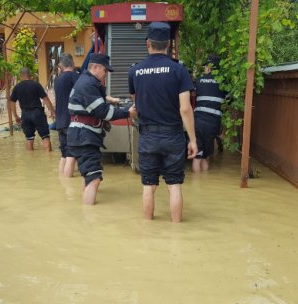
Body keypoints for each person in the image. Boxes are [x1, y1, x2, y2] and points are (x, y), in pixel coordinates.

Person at [128, 22, 198, 223]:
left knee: (149, 185)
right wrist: (192, 140)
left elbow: (136, 103)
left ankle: (147, 230)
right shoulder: (179, 70)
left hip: (148, 136)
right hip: (173, 136)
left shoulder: (135, 72)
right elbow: (185, 108)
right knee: (174, 185)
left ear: (148, 43)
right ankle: (177, 231)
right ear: (168, 44)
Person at [67, 53, 137, 205]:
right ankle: (89, 218)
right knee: (94, 178)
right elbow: (103, 112)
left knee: (89, 176)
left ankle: (83, 211)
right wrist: (127, 112)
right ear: (95, 67)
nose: (106, 75)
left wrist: (109, 99)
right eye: (105, 71)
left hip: (80, 136)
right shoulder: (88, 84)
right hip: (84, 136)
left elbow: (95, 104)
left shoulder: (86, 81)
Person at [192, 55, 227, 172]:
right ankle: (203, 182)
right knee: (205, 157)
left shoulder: (199, 81)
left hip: (198, 122)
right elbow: (228, 102)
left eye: (205, 66)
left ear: (209, 67)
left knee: (197, 156)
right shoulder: (224, 83)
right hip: (213, 124)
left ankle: (196, 185)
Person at [10, 67, 55, 151]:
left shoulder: (17, 87)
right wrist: (52, 111)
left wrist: (15, 116)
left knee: (29, 138)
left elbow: (12, 102)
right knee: (45, 137)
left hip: (25, 114)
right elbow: (45, 99)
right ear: (29, 75)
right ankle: (49, 156)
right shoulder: (36, 84)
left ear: (20, 75)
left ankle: (30, 160)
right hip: (37, 113)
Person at [54, 54, 80, 176]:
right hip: (71, 121)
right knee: (71, 155)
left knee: (64, 155)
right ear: (72, 64)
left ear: (61, 66)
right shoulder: (75, 77)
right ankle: (68, 188)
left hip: (60, 122)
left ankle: (62, 182)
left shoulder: (57, 80)